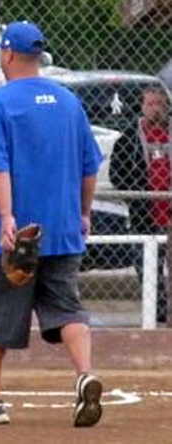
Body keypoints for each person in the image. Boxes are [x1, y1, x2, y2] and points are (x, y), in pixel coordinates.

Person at [0, 21, 104, 427]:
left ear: (7, 54)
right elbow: (89, 167)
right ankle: (84, 375)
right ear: (38, 56)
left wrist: (6, 216)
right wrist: (84, 212)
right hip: (62, 226)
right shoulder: (70, 101)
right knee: (67, 307)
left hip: (16, 232)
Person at [109, 86, 170, 323]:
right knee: (148, 270)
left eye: (160, 105)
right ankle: (157, 313)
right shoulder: (129, 138)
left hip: (169, 213)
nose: (155, 109)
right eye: (150, 104)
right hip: (145, 215)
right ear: (142, 107)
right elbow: (117, 174)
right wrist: (136, 194)